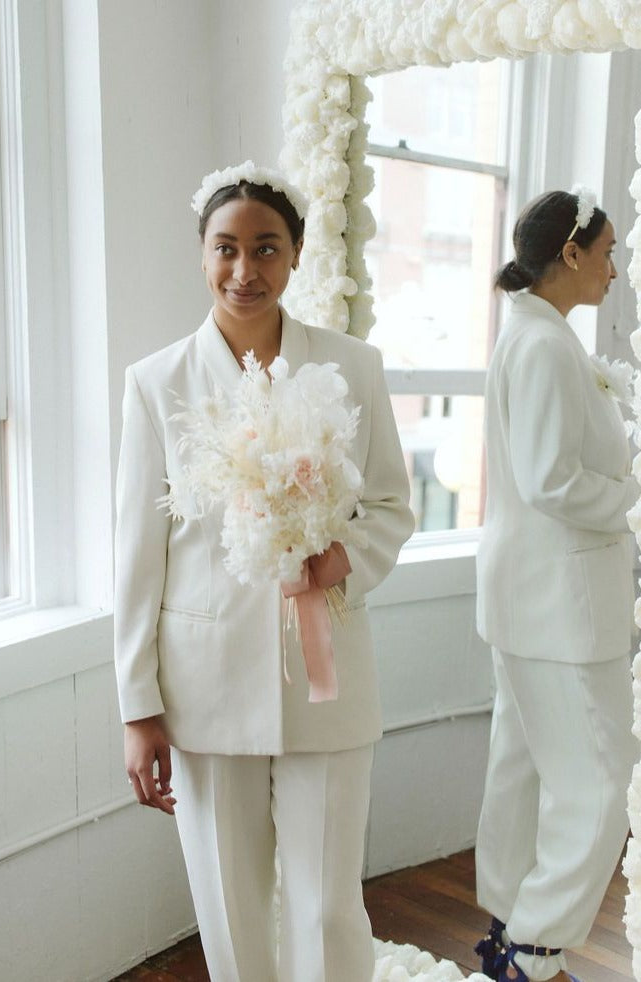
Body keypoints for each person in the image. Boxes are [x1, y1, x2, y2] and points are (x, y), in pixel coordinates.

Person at [113, 160, 415, 982]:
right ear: (201, 253)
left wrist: (337, 558)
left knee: (325, 906)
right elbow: (138, 557)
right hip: (203, 684)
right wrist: (140, 708)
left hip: (329, 678)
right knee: (230, 909)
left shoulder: (355, 366)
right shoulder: (156, 384)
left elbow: (392, 504)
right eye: (226, 249)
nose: (245, 271)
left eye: (266, 248)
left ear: (297, 253)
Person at [472, 189, 641, 982]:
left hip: (531, 599)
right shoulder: (541, 346)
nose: (615, 268)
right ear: (570, 255)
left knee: (527, 768)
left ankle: (510, 931)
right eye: (607, 252)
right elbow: (550, 480)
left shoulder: (535, 336)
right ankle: (533, 953)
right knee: (601, 784)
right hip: (558, 605)